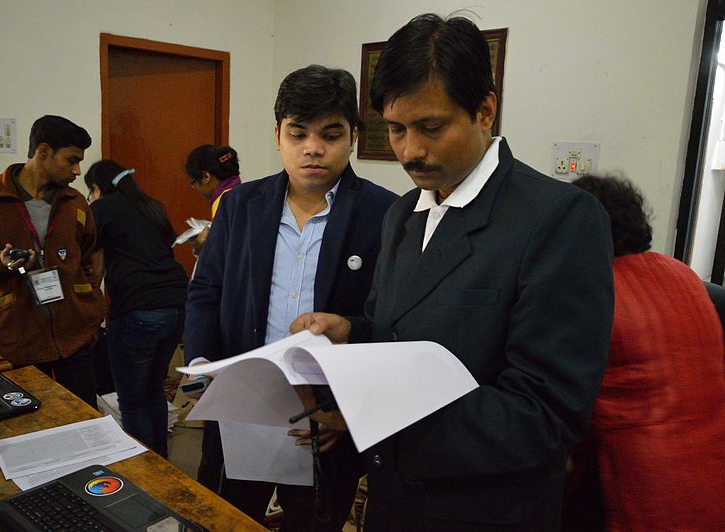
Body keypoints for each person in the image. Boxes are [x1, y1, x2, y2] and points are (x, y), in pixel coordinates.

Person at [289, 14, 615, 531]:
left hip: (484, 509)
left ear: (485, 111)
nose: (410, 151)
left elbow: (546, 411)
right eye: (396, 129)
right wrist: (351, 332)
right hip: (395, 502)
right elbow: (392, 329)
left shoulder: (557, 219)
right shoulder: (402, 215)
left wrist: (380, 415)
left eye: (431, 128)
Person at [184, 64, 398, 530]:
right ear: (277, 134)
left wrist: (349, 411)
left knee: (314, 522)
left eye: (331, 134)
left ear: (354, 137)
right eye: (298, 133)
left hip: (325, 421)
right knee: (222, 518)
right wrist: (201, 363)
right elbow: (206, 290)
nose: (313, 148)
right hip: (241, 407)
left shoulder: (386, 214)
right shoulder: (241, 206)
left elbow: (388, 321)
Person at [568, 175, 725, 531]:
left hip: (652, 487)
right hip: (714, 471)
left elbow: (561, 403)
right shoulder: (681, 274)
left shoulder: (594, 295)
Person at [0, 115, 105, 407]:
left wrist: (89, 297)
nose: (78, 170)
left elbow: (92, 253)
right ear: (43, 152)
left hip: (76, 339)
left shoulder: (76, 203)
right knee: (28, 427)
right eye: (71, 160)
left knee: (85, 422)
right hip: (17, 340)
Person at [84, 160, 188, 458]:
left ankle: (146, 473)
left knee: (132, 401)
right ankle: (161, 463)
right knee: (153, 388)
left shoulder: (102, 208)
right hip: (175, 305)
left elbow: (95, 267)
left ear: (97, 188)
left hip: (138, 309)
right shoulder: (152, 206)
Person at [184, 145, 242, 255]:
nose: (196, 188)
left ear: (206, 177)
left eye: (194, 183)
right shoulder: (242, 194)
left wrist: (202, 245)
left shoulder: (223, 202)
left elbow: (220, 253)